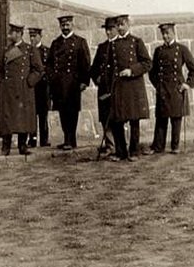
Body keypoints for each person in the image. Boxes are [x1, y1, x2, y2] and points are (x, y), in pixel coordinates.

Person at [147, 23, 194, 155]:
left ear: (173, 33)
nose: (165, 36)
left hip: (177, 89)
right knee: (161, 119)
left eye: (167, 33)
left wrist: (187, 84)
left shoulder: (182, 49)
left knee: (176, 118)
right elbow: (152, 72)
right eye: (163, 34)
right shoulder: (158, 51)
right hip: (163, 89)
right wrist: (158, 85)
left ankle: (175, 146)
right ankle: (158, 146)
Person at [109, 15, 152, 162]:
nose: (120, 28)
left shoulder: (136, 42)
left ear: (128, 24)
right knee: (117, 121)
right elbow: (109, 67)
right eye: (118, 25)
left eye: (122, 25)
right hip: (119, 88)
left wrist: (131, 70)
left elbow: (147, 63)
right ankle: (120, 152)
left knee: (134, 120)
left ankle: (133, 152)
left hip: (133, 87)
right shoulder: (113, 45)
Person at [0, 24, 44, 156]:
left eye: (11, 32)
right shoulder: (6, 50)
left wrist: (29, 82)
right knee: (7, 119)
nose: (9, 34)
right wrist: (1, 83)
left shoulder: (29, 49)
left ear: (18, 33)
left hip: (24, 89)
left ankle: (22, 146)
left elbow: (39, 69)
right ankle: (5, 146)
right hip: (8, 90)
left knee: (23, 119)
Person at [46, 15, 91, 150]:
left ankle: (71, 140)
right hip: (59, 84)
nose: (65, 28)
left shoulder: (79, 42)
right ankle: (67, 139)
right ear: (60, 26)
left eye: (67, 25)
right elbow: (48, 64)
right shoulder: (56, 43)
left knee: (72, 112)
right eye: (63, 25)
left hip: (73, 84)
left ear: (72, 25)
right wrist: (52, 77)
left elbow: (86, 63)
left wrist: (84, 81)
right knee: (62, 112)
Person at [90, 17, 118, 156]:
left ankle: (120, 145)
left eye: (111, 29)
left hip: (118, 89)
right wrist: (97, 78)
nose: (108, 32)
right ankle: (110, 145)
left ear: (117, 29)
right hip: (104, 89)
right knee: (105, 117)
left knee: (118, 117)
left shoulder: (121, 45)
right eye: (106, 30)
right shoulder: (102, 47)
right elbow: (93, 68)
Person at [28, 28, 51, 147]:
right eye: (30, 36)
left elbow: (50, 69)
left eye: (34, 36)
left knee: (43, 114)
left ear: (40, 36)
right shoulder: (27, 50)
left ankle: (44, 139)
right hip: (31, 87)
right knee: (31, 115)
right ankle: (32, 139)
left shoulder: (47, 51)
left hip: (43, 87)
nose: (32, 39)